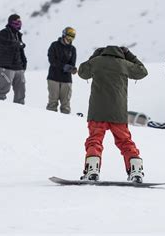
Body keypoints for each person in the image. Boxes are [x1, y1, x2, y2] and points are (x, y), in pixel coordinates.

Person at [78, 46, 148, 183]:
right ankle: (136, 171)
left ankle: (92, 170)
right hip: (118, 111)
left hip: (97, 110)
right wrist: (129, 55)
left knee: (95, 140)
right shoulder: (125, 64)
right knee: (125, 142)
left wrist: (94, 55)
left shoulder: (97, 61)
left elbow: (82, 72)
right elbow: (142, 71)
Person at [0, 14, 27, 104]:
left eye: (19, 23)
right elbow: (0, 41)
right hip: (6, 65)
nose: (18, 25)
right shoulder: (4, 33)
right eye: (16, 23)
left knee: (21, 89)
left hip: (18, 66)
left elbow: (20, 51)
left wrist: (24, 63)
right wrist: (16, 44)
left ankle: (19, 109)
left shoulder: (18, 35)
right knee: (5, 87)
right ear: (11, 23)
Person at [46, 27, 78, 114]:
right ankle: (49, 123)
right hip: (53, 77)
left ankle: (65, 125)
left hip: (66, 80)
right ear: (64, 35)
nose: (70, 39)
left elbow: (72, 64)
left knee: (66, 105)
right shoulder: (54, 45)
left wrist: (72, 69)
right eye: (68, 36)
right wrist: (65, 67)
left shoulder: (72, 49)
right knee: (53, 102)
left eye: (72, 37)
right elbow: (52, 61)